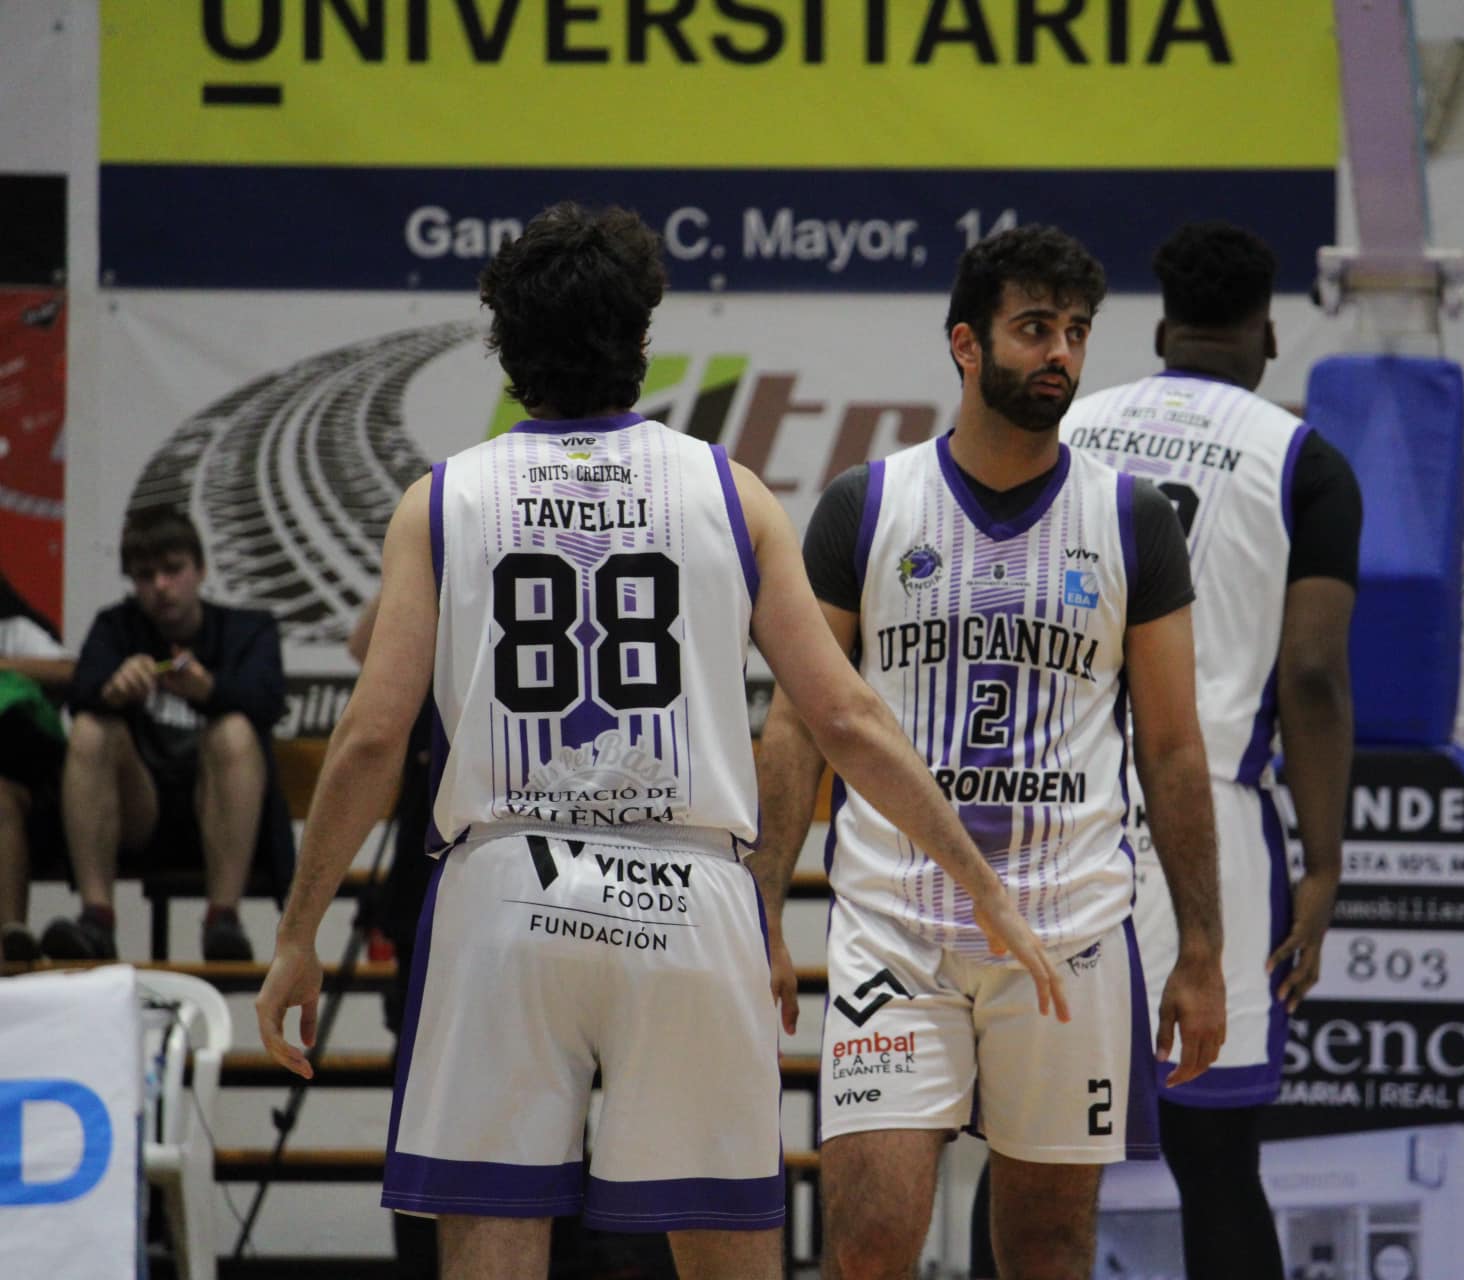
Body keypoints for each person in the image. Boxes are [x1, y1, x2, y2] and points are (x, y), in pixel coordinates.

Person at [253, 202, 1066, 1280]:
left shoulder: (440, 501)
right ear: (642, 339)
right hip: (687, 896)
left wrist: (300, 931)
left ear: (505, 346)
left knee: (493, 1242)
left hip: (505, 893)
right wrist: (985, 884)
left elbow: (368, 741)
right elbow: (849, 718)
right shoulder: (726, 492)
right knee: (728, 1251)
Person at [750, 223, 1229, 1280]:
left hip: (1070, 931)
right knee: (871, 1240)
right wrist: (762, 907)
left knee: (1049, 1247)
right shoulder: (864, 504)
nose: (1059, 351)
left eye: (1074, 330)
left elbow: (1175, 748)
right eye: (1032, 328)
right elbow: (795, 726)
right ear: (965, 343)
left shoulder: (1131, 516)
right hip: (895, 925)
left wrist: (1201, 948)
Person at [1048, 220, 1360, 1278]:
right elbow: (1313, 673)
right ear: (1269, 331)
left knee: (1033, 1155)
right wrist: (1324, 864)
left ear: (1159, 326)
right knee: (1218, 1159)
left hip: (1059, 812)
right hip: (1210, 825)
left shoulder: (1070, 427)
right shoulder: (1304, 458)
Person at [47, 507, 292, 961]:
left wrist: (209, 690)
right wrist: (115, 689)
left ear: (200, 569)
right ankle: (97, 919)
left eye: (173, 569)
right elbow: (80, 693)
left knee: (236, 730)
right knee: (89, 729)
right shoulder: (115, 627)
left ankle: (223, 919)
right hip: (141, 812)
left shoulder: (247, 630)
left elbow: (269, 701)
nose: (160, 586)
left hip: (221, 817)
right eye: (145, 575)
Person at [0, 571, 73, 961]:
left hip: (23, 786)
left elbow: (71, 671)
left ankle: (10, 937)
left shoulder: (13, 629)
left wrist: (5, 668)